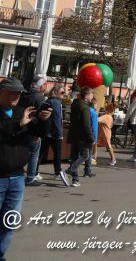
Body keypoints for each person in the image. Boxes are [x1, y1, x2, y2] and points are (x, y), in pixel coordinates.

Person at [0, 77, 52, 259]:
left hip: (17, 178)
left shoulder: (21, 111)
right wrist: (19, 124)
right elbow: (5, 130)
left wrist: (44, 120)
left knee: (9, 222)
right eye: (12, 92)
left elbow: (39, 133)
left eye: (19, 93)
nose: (16, 96)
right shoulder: (14, 116)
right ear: (1, 92)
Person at [16, 75, 46, 186]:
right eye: (44, 84)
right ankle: (30, 177)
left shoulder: (24, 95)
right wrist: (38, 132)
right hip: (33, 131)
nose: (45, 86)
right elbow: (40, 117)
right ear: (41, 85)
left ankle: (18, 174)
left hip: (23, 128)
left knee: (22, 151)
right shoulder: (39, 97)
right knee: (34, 154)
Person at [63, 88, 95, 187]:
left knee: (74, 156)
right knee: (85, 156)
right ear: (87, 95)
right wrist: (91, 137)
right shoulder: (85, 107)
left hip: (74, 134)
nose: (92, 96)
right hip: (82, 136)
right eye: (91, 94)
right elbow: (86, 124)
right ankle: (67, 171)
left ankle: (75, 180)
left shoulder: (75, 104)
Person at [44, 85, 65, 180]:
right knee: (57, 153)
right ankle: (58, 172)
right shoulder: (56, 102)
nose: (64, 94)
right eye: (62, 92)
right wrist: (60, 134)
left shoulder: (48, 100)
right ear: (55, 92)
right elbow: (57, 119)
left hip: (46, 131)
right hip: (54, 133)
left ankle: (34, 172)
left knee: (42, 152)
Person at [87, 99, 99, 171]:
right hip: (91, 135)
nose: (97, 106)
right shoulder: (94, 113)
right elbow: (95, 127)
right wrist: (95, 138)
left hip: (85, 134)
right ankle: (88, 170)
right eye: (97, 104)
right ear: (94, 104)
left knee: (86, 153)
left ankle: (87, 169)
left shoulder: (86, 110)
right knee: (88, 154)